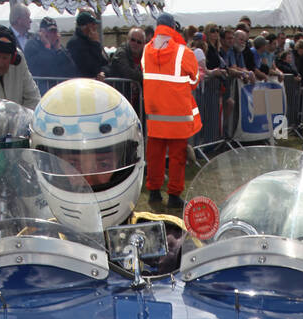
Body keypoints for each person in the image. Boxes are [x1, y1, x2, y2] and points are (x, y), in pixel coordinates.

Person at [30, 78, 143, 227]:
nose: (88, 180)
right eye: (72, 164)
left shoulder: (170, 239)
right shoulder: (31, 243)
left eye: (103, 163)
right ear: (47, 164)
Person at [141, 12, 200, 210]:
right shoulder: (184, 52)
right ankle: (174, 195)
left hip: (155, 116)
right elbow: (194, 80)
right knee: (177, 159)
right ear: (173, 28)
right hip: (178, 117)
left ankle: (154, 192)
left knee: (154, 157)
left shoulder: (146, 51)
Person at [25, 17, 76, 82]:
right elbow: (43, 67)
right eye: (51, 31)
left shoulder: (57, 46)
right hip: (41, 86)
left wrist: (58, 50)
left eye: (55, 31)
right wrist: (47, 47)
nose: (53, 34)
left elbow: (71, 67)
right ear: (42, 33)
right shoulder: (32, 45)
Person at [67, 11, 107, 81]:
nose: (95, 26)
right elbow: (91, 67)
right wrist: (96, 44)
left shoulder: (91, 41)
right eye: (93, 24)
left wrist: (103, 72)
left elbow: (106, 64)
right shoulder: (74, 43)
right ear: (85, 26)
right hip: (82, 85)